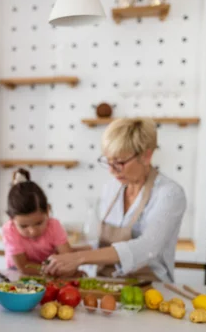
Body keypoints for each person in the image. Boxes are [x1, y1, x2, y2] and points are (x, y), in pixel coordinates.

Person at [44, 118, 186, 282]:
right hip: (107, 283)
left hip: (150, 286)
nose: (112, 170)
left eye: (119, 162)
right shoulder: (111, 188)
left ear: (146, 156)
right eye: (108, 161)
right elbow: (103, 247)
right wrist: (67, 255)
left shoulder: (169, 194)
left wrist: (79, 258)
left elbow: (147, 247)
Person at [2, 169, 74, 275]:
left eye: (39, 223)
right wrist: (58, 270)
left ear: (48, 211)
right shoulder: (9, 230)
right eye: (24, 226)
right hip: (17, 274)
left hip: (49, 275)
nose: (33, 231)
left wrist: (68, 268)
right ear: (11, 219)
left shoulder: (54, 226)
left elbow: (68, 259)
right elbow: (24, 266)